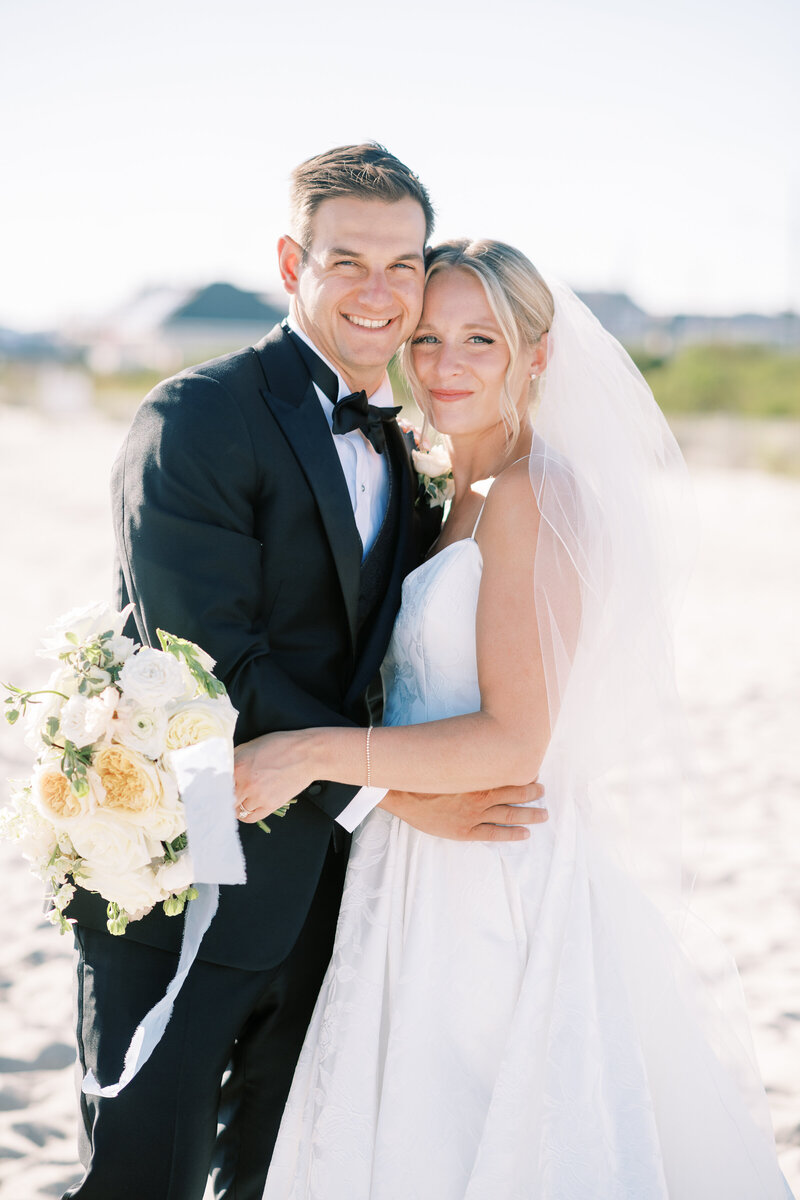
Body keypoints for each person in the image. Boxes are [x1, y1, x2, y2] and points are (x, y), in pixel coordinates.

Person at [236, 239, 793, 1198]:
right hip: (418, 861)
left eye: (480, 341)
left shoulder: (534, 495)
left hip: (493, 884)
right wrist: (389, 799)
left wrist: (306, 753)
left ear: (536, 356)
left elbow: (514, 741)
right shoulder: (454, 488)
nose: (445, 365)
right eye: (429, 338)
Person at [62, 150, 546, 1200]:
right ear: (292, 262)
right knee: (145, 1172)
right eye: (347, 261)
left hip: (339, 899)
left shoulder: (415, 455)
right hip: (189, 870)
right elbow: (209, 662)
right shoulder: (196, 418)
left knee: (280, 1171)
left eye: (403, 264)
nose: (380, 293)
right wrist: (400, 797)